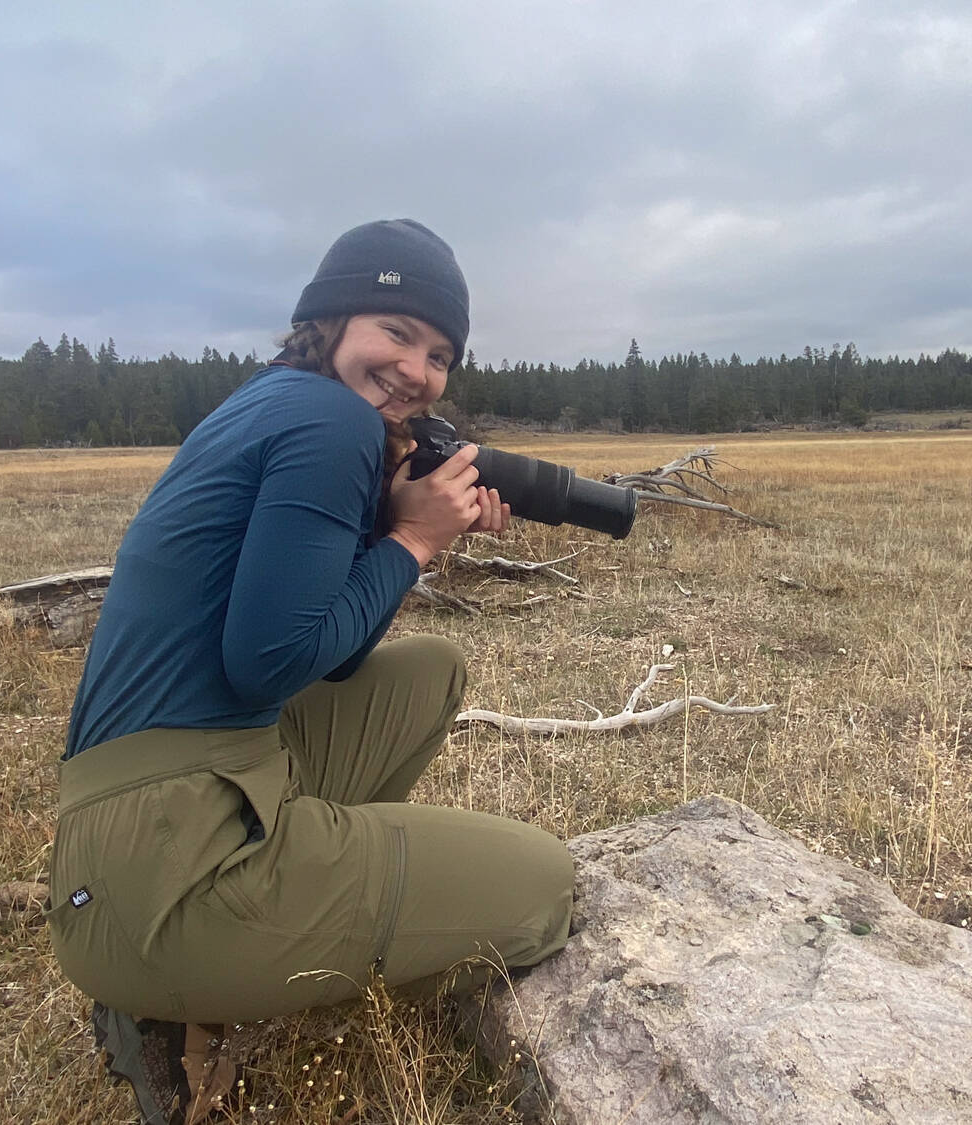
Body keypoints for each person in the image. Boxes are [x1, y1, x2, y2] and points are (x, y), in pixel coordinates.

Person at [46, 220, 575, 1125]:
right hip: (173, 879)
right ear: (327, 320)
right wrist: (413, 541)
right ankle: (186, 996)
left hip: (131, 825)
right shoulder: (335, 423)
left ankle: (244, 934)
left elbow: (329, 655)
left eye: (439, 354)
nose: (416, 370)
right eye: (396, 332)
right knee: (545, 887)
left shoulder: (277, 401)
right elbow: (270, 665)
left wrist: (392, 530)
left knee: (431, 670)